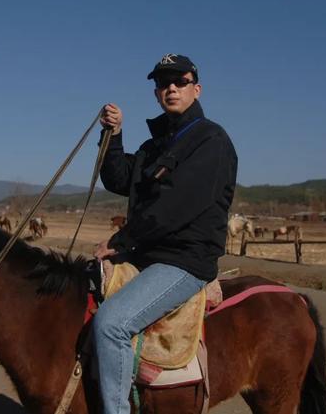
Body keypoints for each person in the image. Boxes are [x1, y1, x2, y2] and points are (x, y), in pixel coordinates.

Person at [93, 53, 238, 414]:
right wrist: (114, 135)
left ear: (196, 89)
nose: (171, 88)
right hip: (146, 255)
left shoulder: (210, 140)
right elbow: (118, 179)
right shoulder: (155, 146)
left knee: (111, 324)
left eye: (180, 81)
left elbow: (176, 206)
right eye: (163, 83)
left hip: (184, 261)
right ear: (156, 92)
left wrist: (120, 240)